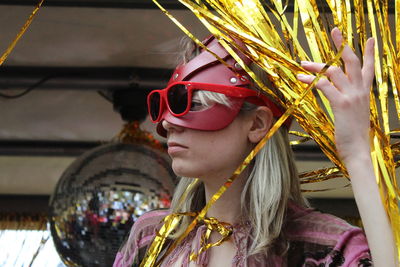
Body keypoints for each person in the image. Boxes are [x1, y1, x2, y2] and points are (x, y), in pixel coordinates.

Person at [113, 28, 397, 266]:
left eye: (192, 104)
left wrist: (357, 156)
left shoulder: (320, 248)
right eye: (163, 106)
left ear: (257, 124)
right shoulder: (151, 238)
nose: (167, 124)